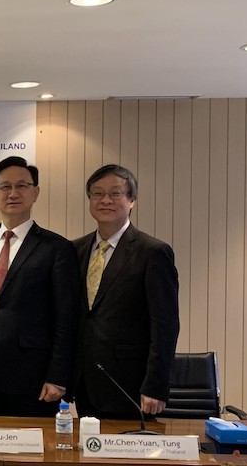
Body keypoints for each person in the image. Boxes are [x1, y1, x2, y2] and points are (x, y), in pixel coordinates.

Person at [0, 157, 79, 417]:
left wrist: (58, 376)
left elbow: (67, 318)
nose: (13, 193)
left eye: (22, 186)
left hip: (35, 377)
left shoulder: (57, 248)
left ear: (35, 192)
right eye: (5, 187)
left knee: (34, 454)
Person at [72, 164, 179, 419]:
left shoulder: (152, 252)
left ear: (131, 200)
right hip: (84, 381)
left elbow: (165, 325)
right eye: (97, 194)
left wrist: (155, 386)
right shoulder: (74, 250)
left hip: (131, 386)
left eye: (115, 193)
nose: (105, 200)